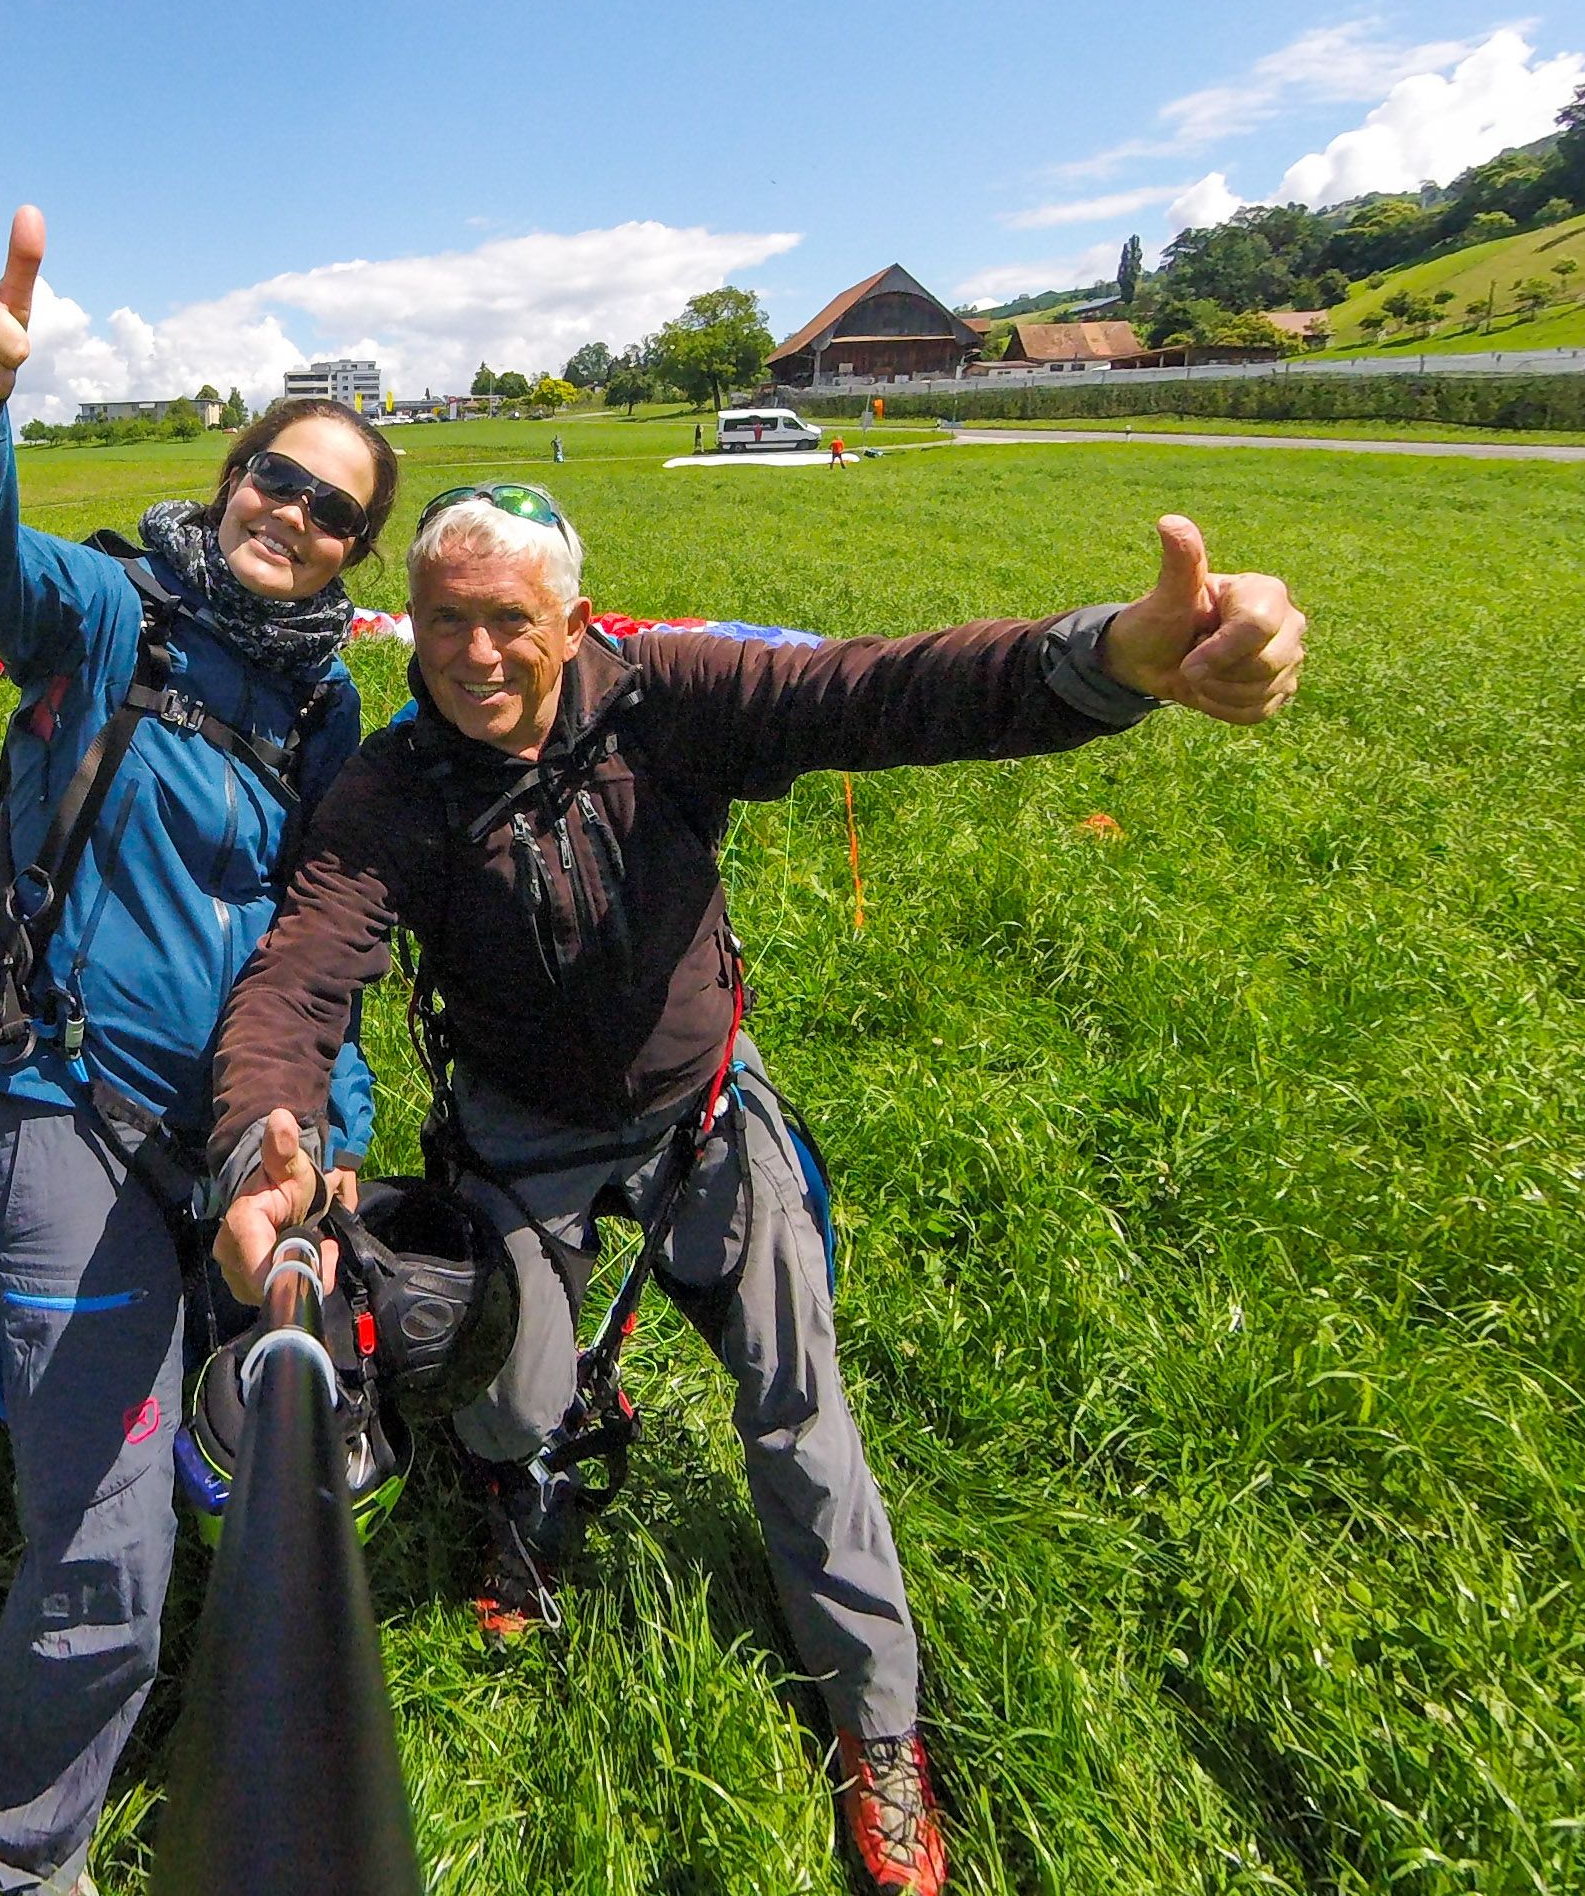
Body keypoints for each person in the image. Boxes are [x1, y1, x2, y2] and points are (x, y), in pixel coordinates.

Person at [206, 481, 1306, 1896]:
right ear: (405, 626)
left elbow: (878, 693)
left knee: (799, 1411)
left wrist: (1102, 660)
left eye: (509, 622)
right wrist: (265, 1143)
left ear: (575, 623)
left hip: (701, 1110)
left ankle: (878, 1727)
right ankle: (527, 1504)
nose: (473, 656)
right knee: (506, 1402)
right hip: (518, 1130)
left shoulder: (668, 701)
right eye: (441, 623)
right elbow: (303, 974)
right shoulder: (393, 787)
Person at [0, 206, 399, 1896]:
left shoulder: (328, 716)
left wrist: (325, 1136)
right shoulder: (112, 614)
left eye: (333, 511)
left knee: (284, 1462)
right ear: (232, 476)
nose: (292, 515)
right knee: (106, 1566)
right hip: (73, 1110)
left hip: (234, 1143)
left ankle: (181, 1425)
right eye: (277, 479)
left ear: (352, 554)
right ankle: (30, 1861)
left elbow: (326, 959)